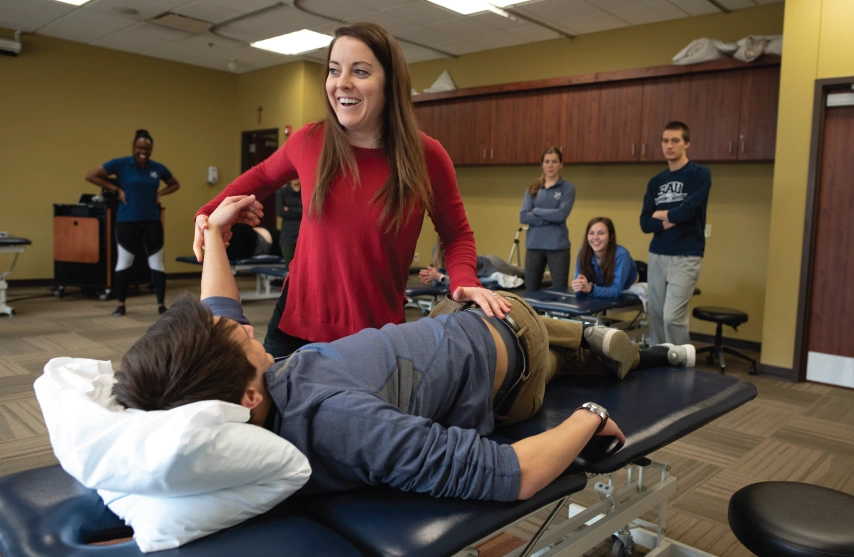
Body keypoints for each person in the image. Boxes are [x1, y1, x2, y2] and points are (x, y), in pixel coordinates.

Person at [113, 194, 697, 504]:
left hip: (448, 332)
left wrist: (214, 234)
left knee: (471, 311)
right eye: (238, 338)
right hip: (507, 354)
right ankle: (614, 348)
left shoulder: (240, 400)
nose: (242, 326)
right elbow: (510, 473)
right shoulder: (338, 421)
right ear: (243, 394)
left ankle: (603, 346)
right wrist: (588, 420)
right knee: (531, 325)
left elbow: (218, 308)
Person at [193, 23, 505, 358]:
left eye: (360, 71)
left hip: (375, 338)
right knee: (273, 410)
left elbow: (456, 232)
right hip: (292, 327)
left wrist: (464, 280)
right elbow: (263, 175)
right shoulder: (310, 141)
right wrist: (207, 215)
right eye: (333, 70)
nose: (342, 83)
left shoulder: (427, 156)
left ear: (389, 82)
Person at [85, 129, 180, 317]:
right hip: (127, 220)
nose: (143, 151)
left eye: (147, 148)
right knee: (124, 262)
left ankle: (161, 305)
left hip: (152, 220)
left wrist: (159, 194)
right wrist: (116, 189)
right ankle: (121, 304)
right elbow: (91, 175)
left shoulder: (157, 168)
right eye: (139, 147)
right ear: (133, 147)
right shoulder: (120, 164)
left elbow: (175, 184)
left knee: (157, 263)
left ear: (152, 149)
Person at [640, 121, 711, 346]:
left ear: (686, 143)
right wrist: (670, 218)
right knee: (657, 315)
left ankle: (681, 365)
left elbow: (688, 213)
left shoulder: (699, 174)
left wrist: (660, 214)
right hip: (658, 252)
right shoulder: (656, 182)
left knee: (673, 317)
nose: (669, 146)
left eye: (675, 140)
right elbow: (644, 222)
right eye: (665, 141)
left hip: (687, 254)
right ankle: (658, 362)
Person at [520, 147, 575, 292]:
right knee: (530, 292)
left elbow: (561, 214)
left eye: (554, 162)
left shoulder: (568, 188)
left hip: (558, 247)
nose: (550, 165)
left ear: (561, 164)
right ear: (542, 164)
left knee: (559, 292)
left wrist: (537, 211)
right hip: (534, 246)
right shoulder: (532, 189)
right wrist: (551, 218)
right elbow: (523, 216)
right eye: (547, 161)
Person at [572, 217, 638, 299]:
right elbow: (579, 287)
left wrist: (590, 289)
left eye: (601, 233)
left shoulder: (622, 255)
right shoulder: (582, 251)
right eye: (591, 233)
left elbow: (615, 291)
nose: (595, 237)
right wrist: (578, 286)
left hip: (629, 284)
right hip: (600, 285)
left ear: (611, 237)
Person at [419, 237, 524, 286]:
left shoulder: (461, 250)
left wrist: (440, 277)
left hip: (491, 264)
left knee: (522, 272)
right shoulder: (436, 249)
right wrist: (432, 274)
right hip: (481, 261)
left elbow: (463, 280)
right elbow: (443, 273)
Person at [274, 179, 302, 268]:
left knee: (304, 267)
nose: (294, 177)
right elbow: (280, 212)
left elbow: (309, 210)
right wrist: (300, 210)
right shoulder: (281, 191)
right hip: (287, 235)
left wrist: (289, 209)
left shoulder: (307, 190)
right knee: (289, 268)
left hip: (304, 233)